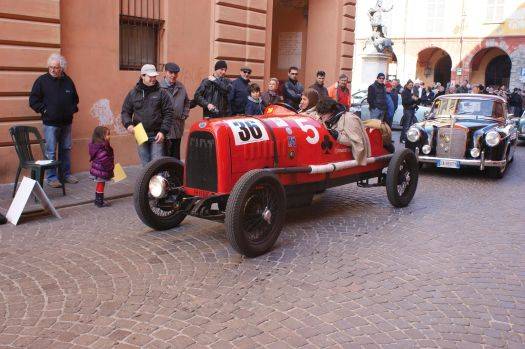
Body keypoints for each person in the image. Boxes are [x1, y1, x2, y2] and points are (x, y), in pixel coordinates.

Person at [29, 53, 80, 188]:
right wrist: (45, 110)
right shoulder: (41, 81)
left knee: (66, 149)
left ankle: (65, 174)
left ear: (61, 68)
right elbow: (33, 101)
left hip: (66, 123)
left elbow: (75, 99)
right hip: (50, 123)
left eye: (55, 67)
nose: (52, 69)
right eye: (50, 67)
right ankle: (52, 178)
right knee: (50, 151)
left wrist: (72, 110)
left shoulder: (68, 81)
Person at [121, 64, 173, 166]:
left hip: (157, 134)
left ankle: (157, 182)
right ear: (142, 76)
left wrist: (163, 131)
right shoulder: (133, 93)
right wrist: (128, 125)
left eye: (154, 76)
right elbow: (125, 112)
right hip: (140, 133)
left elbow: (168, 113)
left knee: (156, 166)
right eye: (150, 76)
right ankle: (147, 182)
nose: (153, 79)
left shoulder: (162, 93)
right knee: (145, 166)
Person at [314, 99, 371, 166]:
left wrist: (337, 135)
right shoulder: (327, 119)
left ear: (332, 111)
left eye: (323, 114)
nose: (321, 116)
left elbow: (356, 142)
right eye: (320, 114)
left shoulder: (349, 119)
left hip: (347, 158)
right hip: (335, 157)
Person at [159, 62, 190, 159]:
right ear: (166, 72)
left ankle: (175, 174)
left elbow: (187, 102)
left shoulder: (181, 87)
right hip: (163, 127)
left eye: (175, 73)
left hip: (177, 126)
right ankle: (165, 173)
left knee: (176, 154)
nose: (173, 75)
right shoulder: (158, 87)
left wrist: (184, 114)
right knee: (164, 154)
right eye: (171, 73)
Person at [88, 126, 114, 208]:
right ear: (101, 136)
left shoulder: (98, 145)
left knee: (100, 184)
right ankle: (99, 202)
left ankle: (98, 200)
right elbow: (104, 160)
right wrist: (111, 167)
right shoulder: (101, 147)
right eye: (107, 135)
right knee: (101, 184)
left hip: (99, 169)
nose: (109, 136)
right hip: (101, 170)